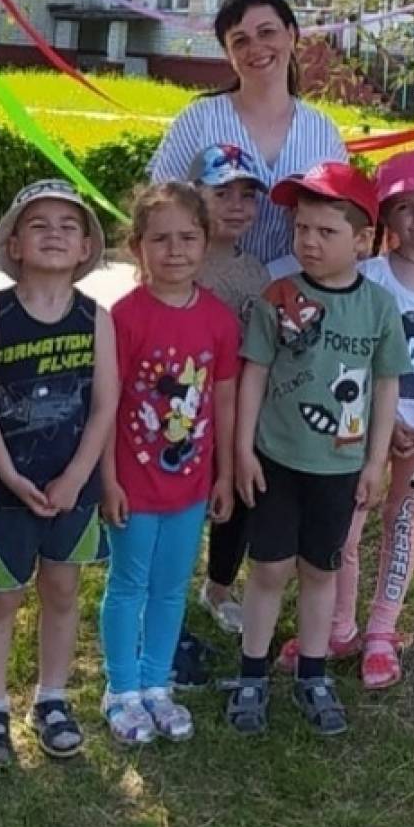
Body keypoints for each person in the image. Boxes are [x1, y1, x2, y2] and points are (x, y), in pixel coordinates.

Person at [226, 161, 409, 737]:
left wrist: (375, 462)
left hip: (340, 466)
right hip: (276, 460)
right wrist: (242, 450)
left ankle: (313, 671)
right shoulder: (277, 296)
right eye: (301, 228)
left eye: (326, 231)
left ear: (363, 240)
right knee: (269, 567)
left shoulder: (378, 307)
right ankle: (251, 673)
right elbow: (254, 373)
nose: (309, 241)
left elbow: (386, 384)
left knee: (320, 569)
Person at [276, 149, 414, 689]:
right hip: (361, 437)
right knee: (346, 532)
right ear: (384, 219)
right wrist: (383, 427)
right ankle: (339, 627)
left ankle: (382, 631)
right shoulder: (370, 276)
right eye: (403, 206)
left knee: (403, 526)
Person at [0, 179, 118, 768]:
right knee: (1, 599)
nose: (54, 234)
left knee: (62, 590)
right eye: (39, 224)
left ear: (86, 248)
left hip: (72, 488)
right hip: (7, 489)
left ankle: (52, 698)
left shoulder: (95, 318)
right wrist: (7, 475)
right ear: (15, 243)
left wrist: (77, 476)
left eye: (68, 226)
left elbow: (104, 405)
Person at [99, 182, 240, 746]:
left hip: (191, 485)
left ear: (205, 242)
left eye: (187, 238)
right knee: (128, 584)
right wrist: (107, 480)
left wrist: (224, 474)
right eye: (160, 239)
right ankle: (121, 689)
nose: (175, 251)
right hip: (133, 484)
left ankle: (157, 684)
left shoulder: (219, 320)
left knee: (171, 586)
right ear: (137, 247)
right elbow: (106, 405)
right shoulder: (123, 318)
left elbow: (223, 401)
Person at [149, 0, 348, 268]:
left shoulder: (322, 130)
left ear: (291, 35)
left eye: (267, 32)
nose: (255, 48)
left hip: (298, 288)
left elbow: (341, 217)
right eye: (240, 41)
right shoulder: (200, 119)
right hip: (210, 283)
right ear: (227, 53)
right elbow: (159, 210)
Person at [188, 143, 270, 637]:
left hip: (239, 408)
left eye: (247, 194)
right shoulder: (181, 262)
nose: (237, 206)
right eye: (223, 193)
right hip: (182, 407)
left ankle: (218, 586)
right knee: (179, 498)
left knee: (238, 497)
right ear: (194, 195)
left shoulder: (257, 273)